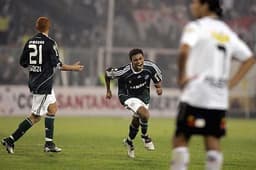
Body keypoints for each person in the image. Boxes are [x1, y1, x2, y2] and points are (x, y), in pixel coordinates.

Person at [170, 0, 256, 169]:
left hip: (196, 93)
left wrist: (181, 77)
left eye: (194, 2)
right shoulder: (227, 32)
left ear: (205, 4)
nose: (191, 6)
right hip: (218, 97)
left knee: (181, 138)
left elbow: (184, 50)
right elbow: (249, 59)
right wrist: (231, 83)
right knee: (212, 140)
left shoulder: (196, 27)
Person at [1, 17, 84, 154]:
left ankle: (49, 143)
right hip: (43, 83)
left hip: (36, 80)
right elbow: (58, 65)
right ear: (49, 27)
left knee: (52, 109)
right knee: (35, 117)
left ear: (36, 26)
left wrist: (36, 66)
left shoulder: (29, 41)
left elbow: (23, 63)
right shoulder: (50, 43)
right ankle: (10, 140)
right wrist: (73, 68)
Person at [105, 48, 163, 158]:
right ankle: (145, 137)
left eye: (140, 58)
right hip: (127, 96)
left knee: (137, 120)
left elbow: (157, 77)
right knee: (145, 114)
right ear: (131, 61)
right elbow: (107, 73)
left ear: (143, 58)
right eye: (135, 60)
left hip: (144, 97)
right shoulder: (124, 71)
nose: (139, 62)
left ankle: (129, 141)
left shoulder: (150, 67)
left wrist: (158, 87)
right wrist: (108, 90)